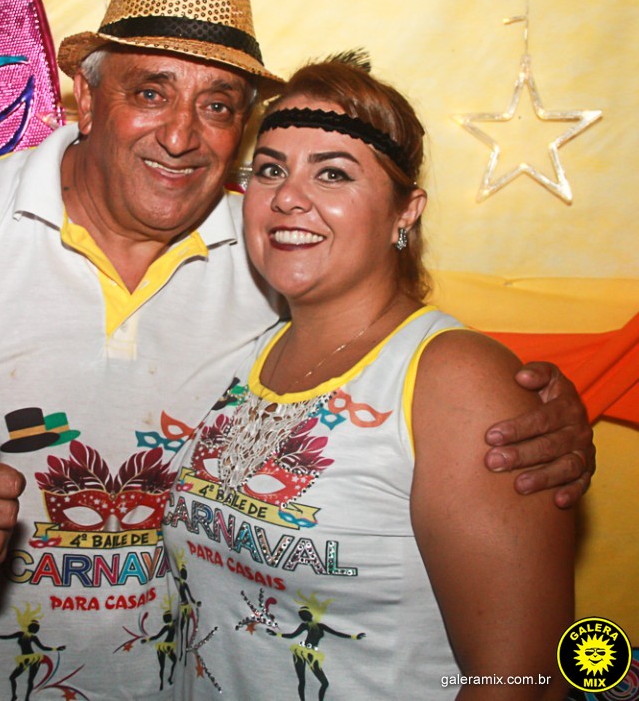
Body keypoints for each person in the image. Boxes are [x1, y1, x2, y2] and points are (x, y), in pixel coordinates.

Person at [0, 0, 590, 700]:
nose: (181, 135)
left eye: (218, 105)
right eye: (151, 92)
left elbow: (393, 369)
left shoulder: (272, 248)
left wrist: (521, 420)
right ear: (87, 100)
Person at [163, 55, 575, 700]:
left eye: (332, 173)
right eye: (270, 169)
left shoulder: (455, 380)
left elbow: (525, 679)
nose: (288, 197)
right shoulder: (249, 351)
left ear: (405, 212)